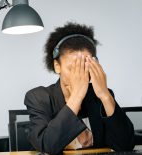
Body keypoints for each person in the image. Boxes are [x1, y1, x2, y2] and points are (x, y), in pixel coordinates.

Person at [24, 22, 135, 155]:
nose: (79, 74)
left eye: (84, 67)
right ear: (57, 66)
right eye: (72, 68)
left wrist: (105, 95)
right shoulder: (39, 97)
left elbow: (126, 145)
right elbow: (48, 146)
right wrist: (77, 96)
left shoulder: (99, 96)